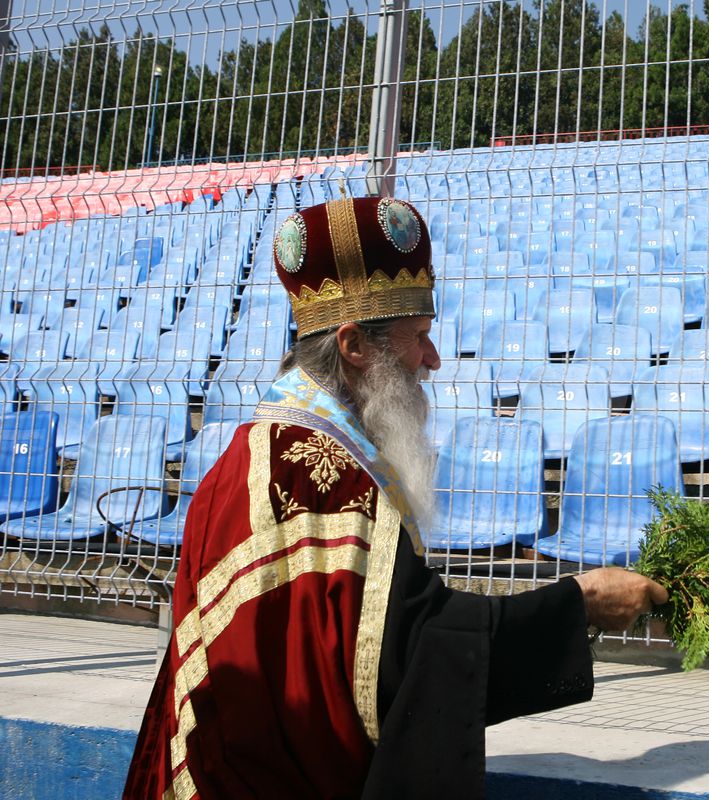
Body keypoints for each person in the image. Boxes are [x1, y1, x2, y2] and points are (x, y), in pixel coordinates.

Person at [124, 196, 667, 799]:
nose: (432, 360)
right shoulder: (321, 476)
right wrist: (578, 605)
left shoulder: (248, 452)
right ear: (355, 346)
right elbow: (407, 660)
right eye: (419, 338)